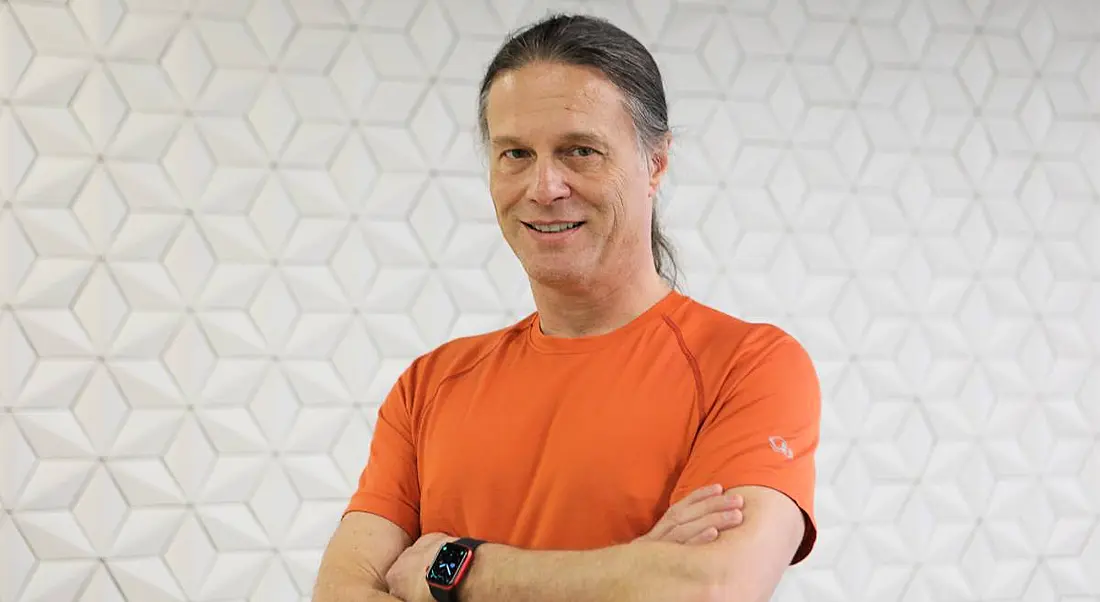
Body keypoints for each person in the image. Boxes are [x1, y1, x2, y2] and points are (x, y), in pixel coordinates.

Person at [312, 12, 821, 602]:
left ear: (655, 163)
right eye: (515, 154)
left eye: (580, 151)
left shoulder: (750, 366)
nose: (544, 187)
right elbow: (340, 594)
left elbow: (707, 587)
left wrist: (457, 570)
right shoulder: (429, 385)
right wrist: (629, 571)